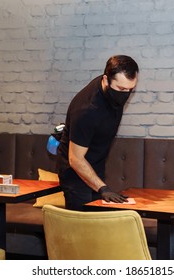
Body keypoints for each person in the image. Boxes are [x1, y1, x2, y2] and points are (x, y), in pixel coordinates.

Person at [56, 55, 139, 211]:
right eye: (121, 89)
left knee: (98, 221)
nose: (126, 95)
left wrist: (101, 185)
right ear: (106, 80)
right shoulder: (87, 111)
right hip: (75, 173)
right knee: (81, 226)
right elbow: (75, 159)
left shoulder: (112, 90)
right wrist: (103, 189)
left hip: (96, 167)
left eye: (130, 89)